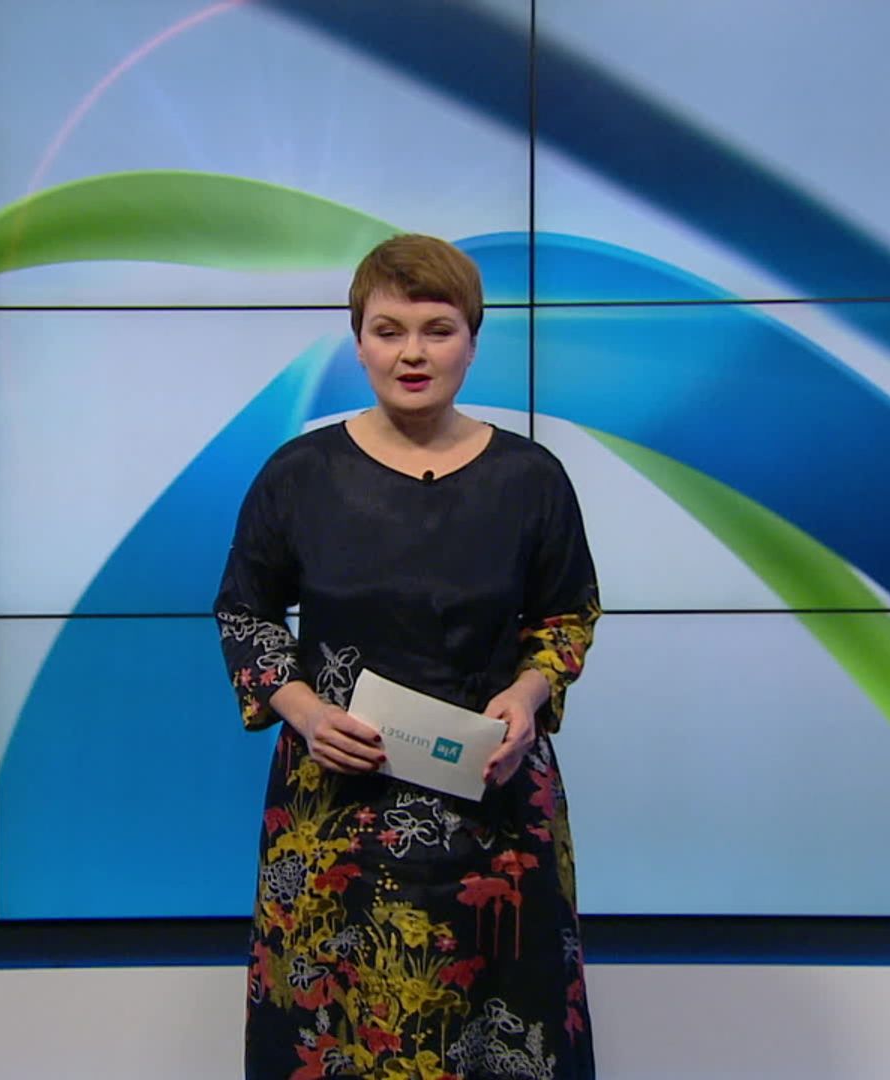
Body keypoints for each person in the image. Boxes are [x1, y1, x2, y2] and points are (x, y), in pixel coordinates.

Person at [215, 233, 601, 1079]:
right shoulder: (299, 474)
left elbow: (567, 616)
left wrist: (527, 697)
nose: (413, 353)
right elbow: (245, 613)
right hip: (336, 809)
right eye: (388, 331)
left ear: (473, 341)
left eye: (438, 329)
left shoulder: (531, 478)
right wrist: (305, 712)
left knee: (506, 1034)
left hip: (496, 808)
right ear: (358, 343)